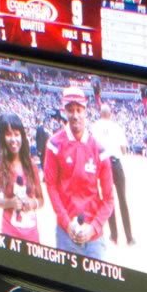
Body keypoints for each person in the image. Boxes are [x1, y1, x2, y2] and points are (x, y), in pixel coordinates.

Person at [43, 83, 115, 257]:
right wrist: (67, 223)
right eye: (70, 110)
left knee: (96, 283)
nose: (75, 115)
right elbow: (51, 186)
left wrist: (93, 227)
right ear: (64, 111)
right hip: (66, 234)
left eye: (79, 109)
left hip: (94, 237)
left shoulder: (99, 150)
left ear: (85, 110)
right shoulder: (54, 145)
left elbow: (109, 199)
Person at [0, 113, 45, 241]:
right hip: (10, 233)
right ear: (2, 137)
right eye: (8, 134)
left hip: (32, 234)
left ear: (22, 136)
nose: (13, 140)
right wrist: (10, 203)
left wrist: (32, 203)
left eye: (16, 134)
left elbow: (41, 200)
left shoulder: (31, 164)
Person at [94, 99, 134, 246]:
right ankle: (129, 238)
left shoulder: (95, 126)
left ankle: (114, 236)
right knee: (123, 200)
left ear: (100, 113)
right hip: (116, 163)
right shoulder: (116, 127)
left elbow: (93, 148)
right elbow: (123, 149)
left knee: (108, 200)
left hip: (104, 165)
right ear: (110, 114)